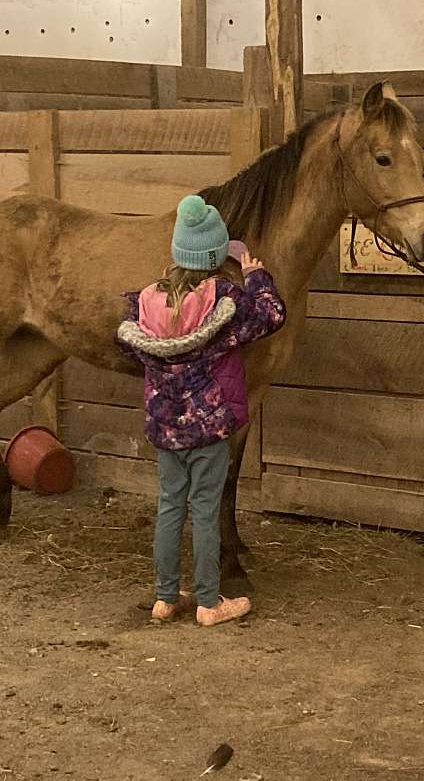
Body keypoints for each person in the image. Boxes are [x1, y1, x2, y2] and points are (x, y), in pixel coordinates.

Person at [116, 195, 286, 626]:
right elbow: (271, 315)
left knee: (170, 507)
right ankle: (210, 602)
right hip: (209, 430)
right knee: (206, 510)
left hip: (164, 431)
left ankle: (165, 597)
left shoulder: (146, 302)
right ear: (215, 256)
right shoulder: (224, 301)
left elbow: (127, 342)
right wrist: (256, 274)